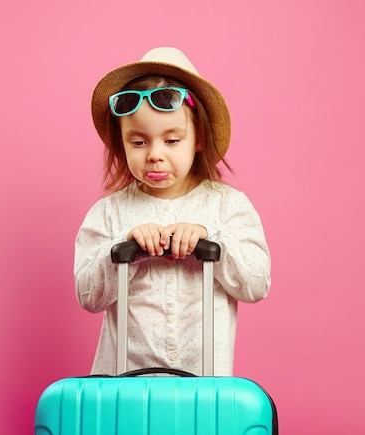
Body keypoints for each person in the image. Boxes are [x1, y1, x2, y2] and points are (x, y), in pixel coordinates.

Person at [74, 47, 271, 376]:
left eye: (172, 140)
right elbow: (88, 296)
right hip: (125, 381)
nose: (154, 155)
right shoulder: (108, 213)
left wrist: (213, 241)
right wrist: (124, 247)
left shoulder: (227, 206)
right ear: (121, 143)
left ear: (198, 139)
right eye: (138, 142)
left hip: (203, 383)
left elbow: (256, 284)